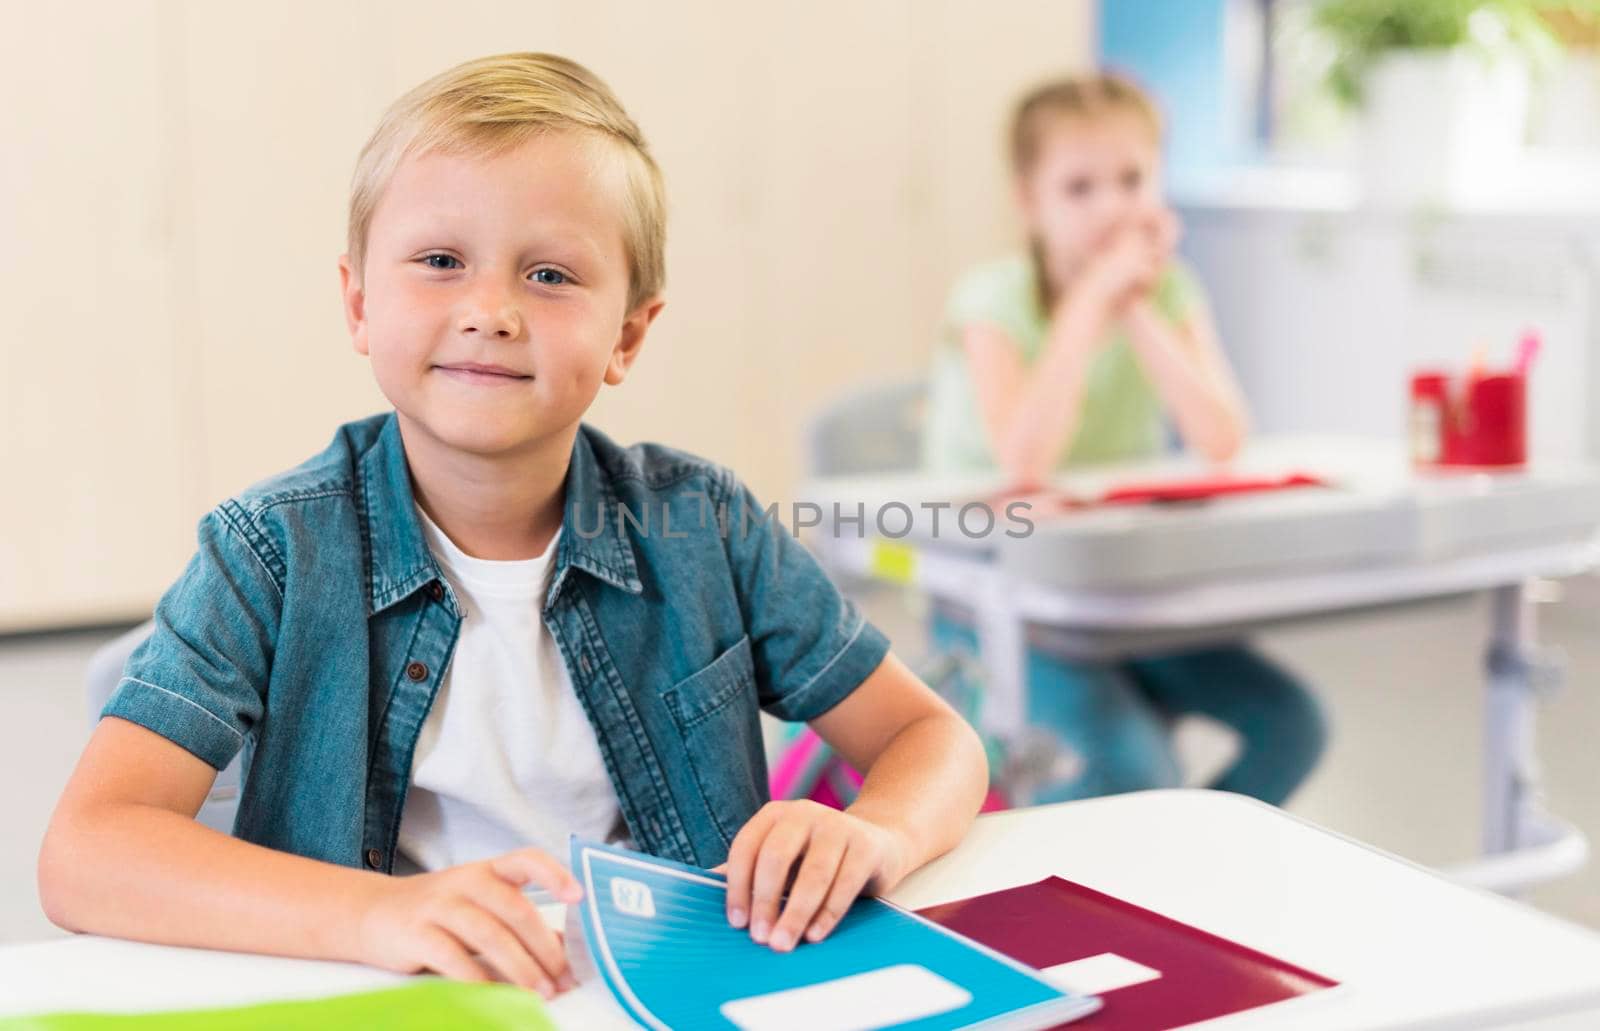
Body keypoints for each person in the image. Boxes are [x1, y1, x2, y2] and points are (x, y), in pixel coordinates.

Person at [38, 52, 987, 1000]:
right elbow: (87, 851)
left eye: (549, 274)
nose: (490, 311)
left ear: (628, 335)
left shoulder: (706, 526)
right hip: (389, 996)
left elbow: (933, 739)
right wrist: (378, 913)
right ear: (361, 302)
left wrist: (877, 831)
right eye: (441, 261)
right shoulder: (269, 552)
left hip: (671, 989)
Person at [921, 71, 1326, 806]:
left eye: (1133, 179)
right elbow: (1023, 461)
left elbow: (1223, 436)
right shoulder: (990, 300)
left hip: (1120, 596)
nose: (1113, 205)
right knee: (1132, 772)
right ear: (1029, 203)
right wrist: (1089, 303)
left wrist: (1137, 308)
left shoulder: (1171, 293)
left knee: (1293, 725)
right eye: (1080, 188)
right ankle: (1128, 890)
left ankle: (1185, 880)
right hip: (1001, 604)